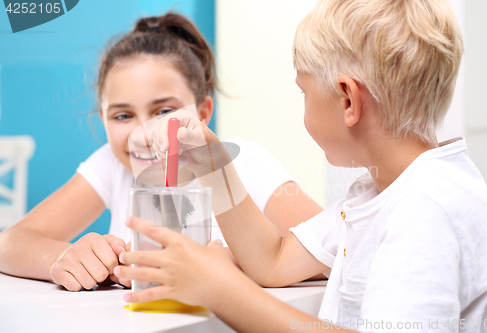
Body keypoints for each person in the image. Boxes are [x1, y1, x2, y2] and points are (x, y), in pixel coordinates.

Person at [114, 0, 487, 331]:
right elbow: (274, 260)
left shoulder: (423, 210)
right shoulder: (378, 193)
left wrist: (220, 289)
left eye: (304, 90)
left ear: (348, 100)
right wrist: (213, 166)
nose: (303, 101)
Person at [0, 13, 322, 292]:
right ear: (103, 119)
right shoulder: (114, 165)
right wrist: (61, 258)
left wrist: (244, 261)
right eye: (123, 116)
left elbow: (339, 250)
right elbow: (9, 243)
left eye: (163, 111)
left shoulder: (244, 164)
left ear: (203, 113)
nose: (143, 135)